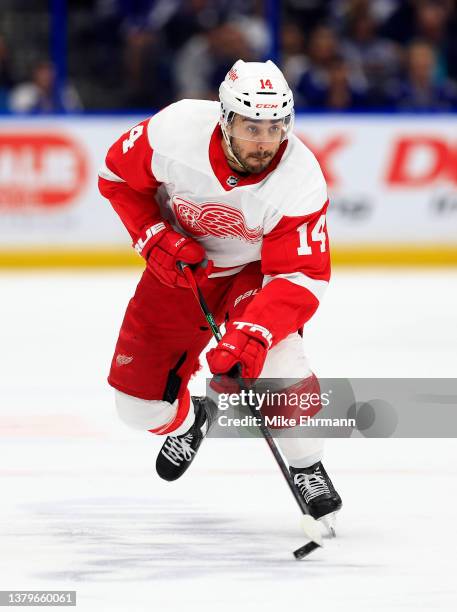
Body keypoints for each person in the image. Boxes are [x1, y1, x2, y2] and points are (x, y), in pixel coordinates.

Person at [98, 59, 342, 525]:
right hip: (182, 268)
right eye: (253, 127)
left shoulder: (300, 177)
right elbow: (117, 178)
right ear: (225, 119)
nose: (265, 142)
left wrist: (251, 334)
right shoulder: (175, 130)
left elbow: (301, 277)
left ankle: (307, 465)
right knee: (136, 410)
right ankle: (192, 422)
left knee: (280, 368)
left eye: (276, 127)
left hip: (255, 272)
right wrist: (153, 237)